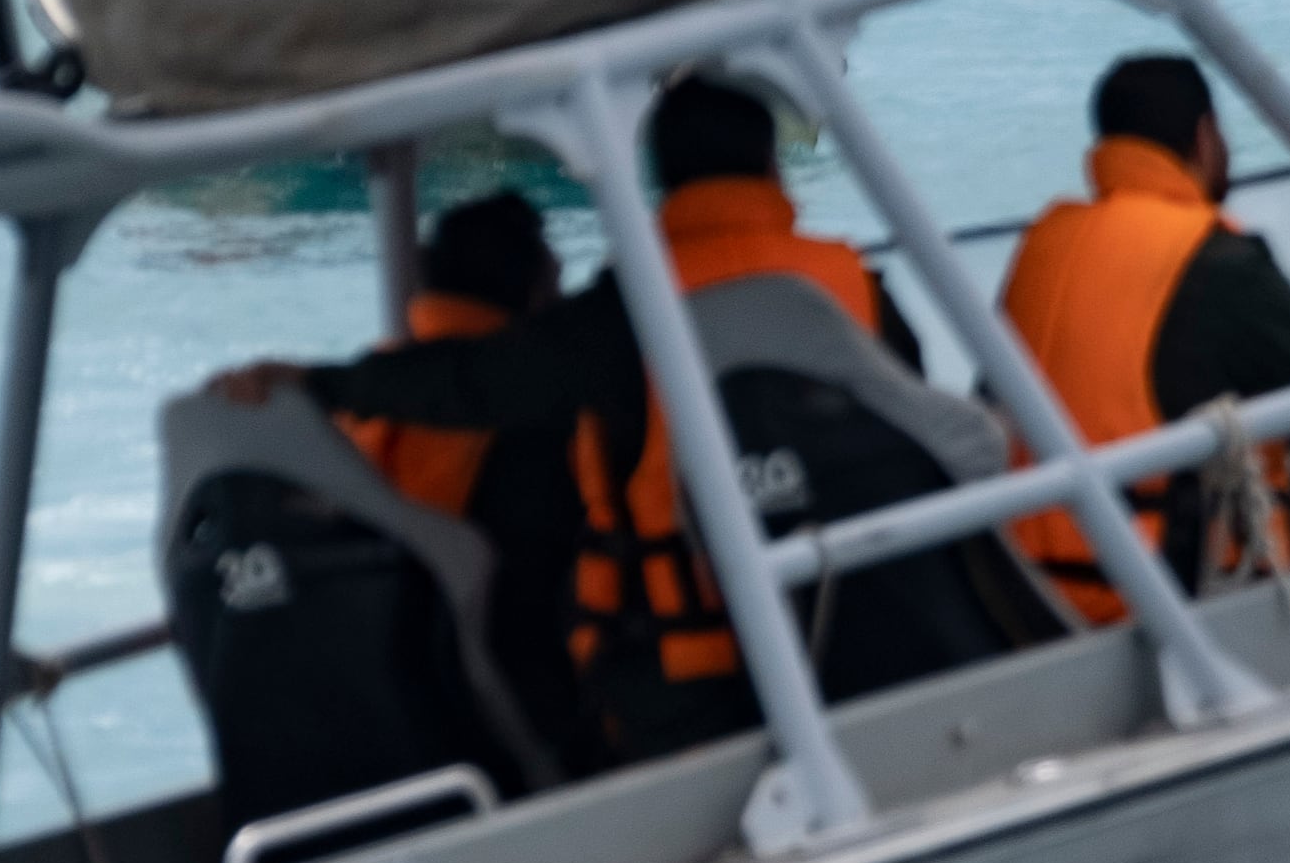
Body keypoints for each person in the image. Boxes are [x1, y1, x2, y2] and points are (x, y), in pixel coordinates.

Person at [251, 74, 926, 764]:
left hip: (675, 667)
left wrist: (323, 382)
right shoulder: (857, 286)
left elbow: (475, 384)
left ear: (664, 179)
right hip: (868, 617)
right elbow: (922, 425)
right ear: (769, 165)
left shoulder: (619, 313)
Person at [999, 55, 1290, 619]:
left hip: (1032, 593)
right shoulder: (1211, 262)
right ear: (1204, 135)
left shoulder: (1042, 250)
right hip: (1165, 596)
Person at [329, 188, 589, 771]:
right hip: (515, 711)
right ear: (535, 287)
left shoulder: (363, 401)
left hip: (382, 696)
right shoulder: (545, 416)